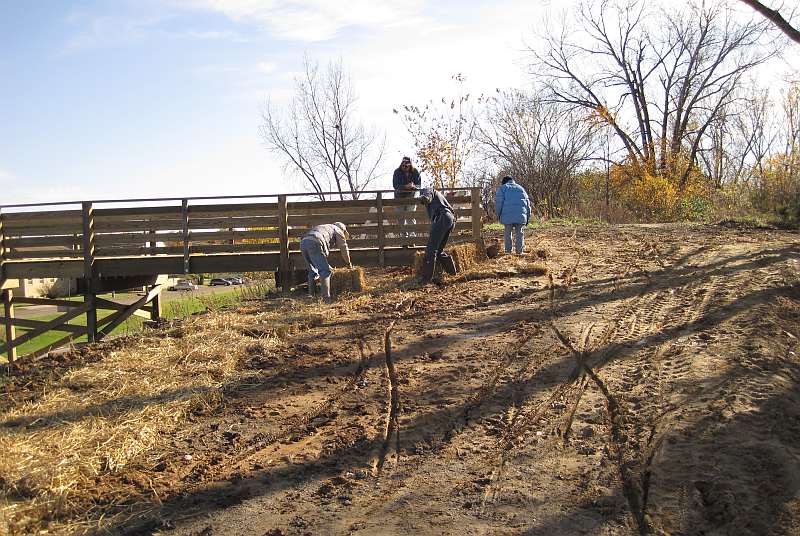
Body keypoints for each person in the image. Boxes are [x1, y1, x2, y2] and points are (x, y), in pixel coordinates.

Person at [299, 222, 352, 300]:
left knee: (312, 271)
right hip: (315, 242)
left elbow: (322, 255)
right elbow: (343, 248)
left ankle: (311, 296)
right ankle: (326, 298)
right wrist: (348, 263)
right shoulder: (338, 230)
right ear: (343, 230)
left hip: (303, 243)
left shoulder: (323, 227)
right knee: (325, 271)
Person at [418, 188, 457, 284]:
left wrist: (422, 198)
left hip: (442, 217)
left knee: (431, 250)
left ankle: (425, 279)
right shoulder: (439, 196)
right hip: (450, 219)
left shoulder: (428, 190)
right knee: (439, 250)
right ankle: (452, 273)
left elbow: (427, 197)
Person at [495, 175, 531, 255]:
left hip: (507, 216)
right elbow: (528, 205)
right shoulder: (521, 188)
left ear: (504, 182)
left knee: (507, 233)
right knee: (520, 233)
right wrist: (527, 218)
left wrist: (498, 214)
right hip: (521, 216)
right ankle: (519, 252)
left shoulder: (502, 188)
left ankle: (508, 252)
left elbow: (498, 204)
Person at [392, 156, 421, 237]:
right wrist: (405, 187)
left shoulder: (415, 172)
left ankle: (412, 237)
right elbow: (395, 185)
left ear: (410, 165)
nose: (405, 167)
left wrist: (413, 187)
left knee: (410, 217)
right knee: (400, 218)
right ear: (401, 164)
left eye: (407, 165)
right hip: (399, 198)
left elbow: (419, 185)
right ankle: (403, 238)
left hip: (411, 197)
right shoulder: (397, 172)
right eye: (403, 165)